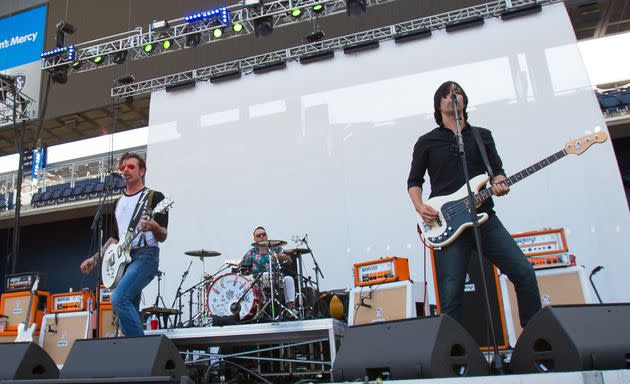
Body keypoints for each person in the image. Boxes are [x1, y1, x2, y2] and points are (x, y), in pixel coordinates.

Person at [407, 81, 541, 327]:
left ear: (464, 101)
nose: (453, 96)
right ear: (439, 105)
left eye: (457, 92)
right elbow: (414, 181)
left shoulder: (482, 136)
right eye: (447, 94)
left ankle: (536, 338)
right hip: (448, 224)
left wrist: (501, 182)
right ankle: (453, 354)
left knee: (524, 272)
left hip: (484, 218)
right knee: (450, 295)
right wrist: (419, 206)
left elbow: (497, 171)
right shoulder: (427, 141)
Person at [80, 152, 168, 336]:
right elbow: (114, 238)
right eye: (122, 168)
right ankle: (137, 357)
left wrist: (153, 226)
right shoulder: (118, 203)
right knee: (130, 307)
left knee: (119, 299)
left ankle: (141, 350)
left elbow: (163, 235)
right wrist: (95, 260)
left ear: (142, 171)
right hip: (124, 260)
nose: (125, 170)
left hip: (145, 255)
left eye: (131, 167)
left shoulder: (155, 197)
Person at [241, 226, 296, 311]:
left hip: (276, 279)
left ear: (267, 236)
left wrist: (277, 256)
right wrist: (246, 271)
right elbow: (243, 269)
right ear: (254, 239)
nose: (261, 237)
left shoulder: (276, 248)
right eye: (258, 236)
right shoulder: (251, 253)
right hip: (258, 282)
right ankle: (251, 312)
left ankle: (290, 309)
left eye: (263, 234)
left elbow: (289, 260)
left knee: (289, 279)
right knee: (246, 285)